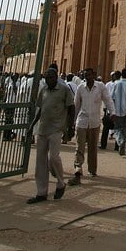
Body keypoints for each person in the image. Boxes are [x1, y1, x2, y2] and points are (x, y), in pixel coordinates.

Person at [27, 68, 74, 203]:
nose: (49, 80)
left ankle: (61, 182)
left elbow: (71, 107)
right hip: (43, 129)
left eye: (51, 77)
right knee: (40, 162)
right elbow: (40, 108)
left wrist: (70, 127)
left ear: (56, 77)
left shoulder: (64, 89)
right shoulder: (44, 90)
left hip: (56, 129)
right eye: (47, 78)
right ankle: (41, 192)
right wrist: (33, 124)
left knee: (53, 157)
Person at [67, 67, 114, 186]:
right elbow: (76, 105)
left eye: (89, 75)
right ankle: (78, 169)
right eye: (85, 75)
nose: (87, 77)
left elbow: (107, 99)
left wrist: (113, 112)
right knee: (80, 147)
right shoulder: (80, 88)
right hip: (82, 122)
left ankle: (92, 170)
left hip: (94, 122)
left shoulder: (100, 87)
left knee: (93, 147)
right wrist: (72, 123)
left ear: (94, 75)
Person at [108, 68, 126, 156]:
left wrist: (112, 111)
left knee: (117, 128)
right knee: (124, 129)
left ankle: (120, 141)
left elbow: (112, 98)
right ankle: (121, 144)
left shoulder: (116, 84)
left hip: (117, 110)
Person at [100, 70, 120, 150]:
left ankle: (105, 144)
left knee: (107, 127)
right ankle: (116, 146)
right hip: (115, 110)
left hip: (112, 109)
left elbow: (110, 98)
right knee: (116, 128)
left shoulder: (116, 85)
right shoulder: (108, 84)